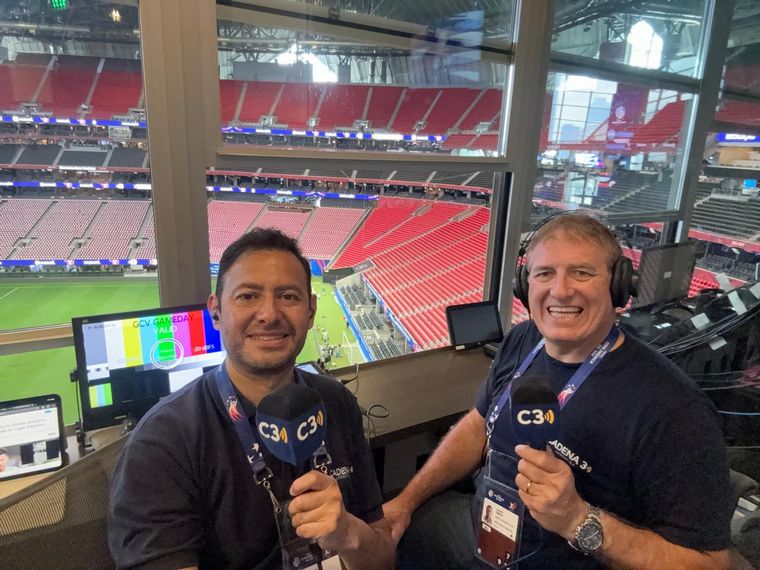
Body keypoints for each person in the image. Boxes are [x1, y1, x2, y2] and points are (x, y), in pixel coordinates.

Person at [384, 214, 733, 568]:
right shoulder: (523, 340)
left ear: (619, 285)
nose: (561, 290)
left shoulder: (674, 409)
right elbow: (478, 424)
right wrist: (406, 502)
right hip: (485, 533)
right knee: (403, 537)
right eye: (545, 273)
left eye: (582, 272)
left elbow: (710, 563)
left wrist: (578, 520)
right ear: (525, 285)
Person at [109, 228, 394, 569]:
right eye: (247, 296)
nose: (269, 314)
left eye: (288, 296)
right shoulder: (163, 441)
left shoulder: (336, 402)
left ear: (311, 311)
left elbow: (383, 560)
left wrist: (348, 533)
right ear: (215, 313)